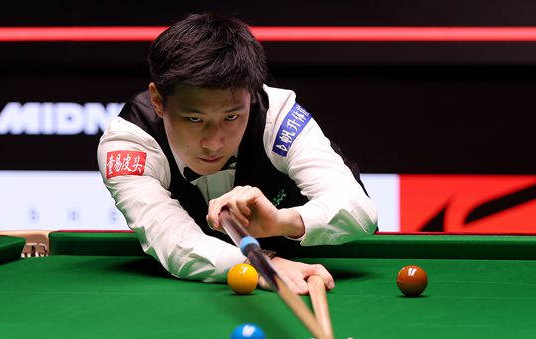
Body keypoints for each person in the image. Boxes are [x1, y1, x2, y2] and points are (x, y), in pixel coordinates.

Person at [97, 13, 378, 294]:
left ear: (251, 96)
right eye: (195, 119)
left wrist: (280, 221)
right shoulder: (129, 142)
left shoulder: (277, 116)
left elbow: (359, 210)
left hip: (302, 255)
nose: (213, 143)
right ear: (158, 101)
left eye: (231, 117)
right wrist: (262, 264)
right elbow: (171, 238)